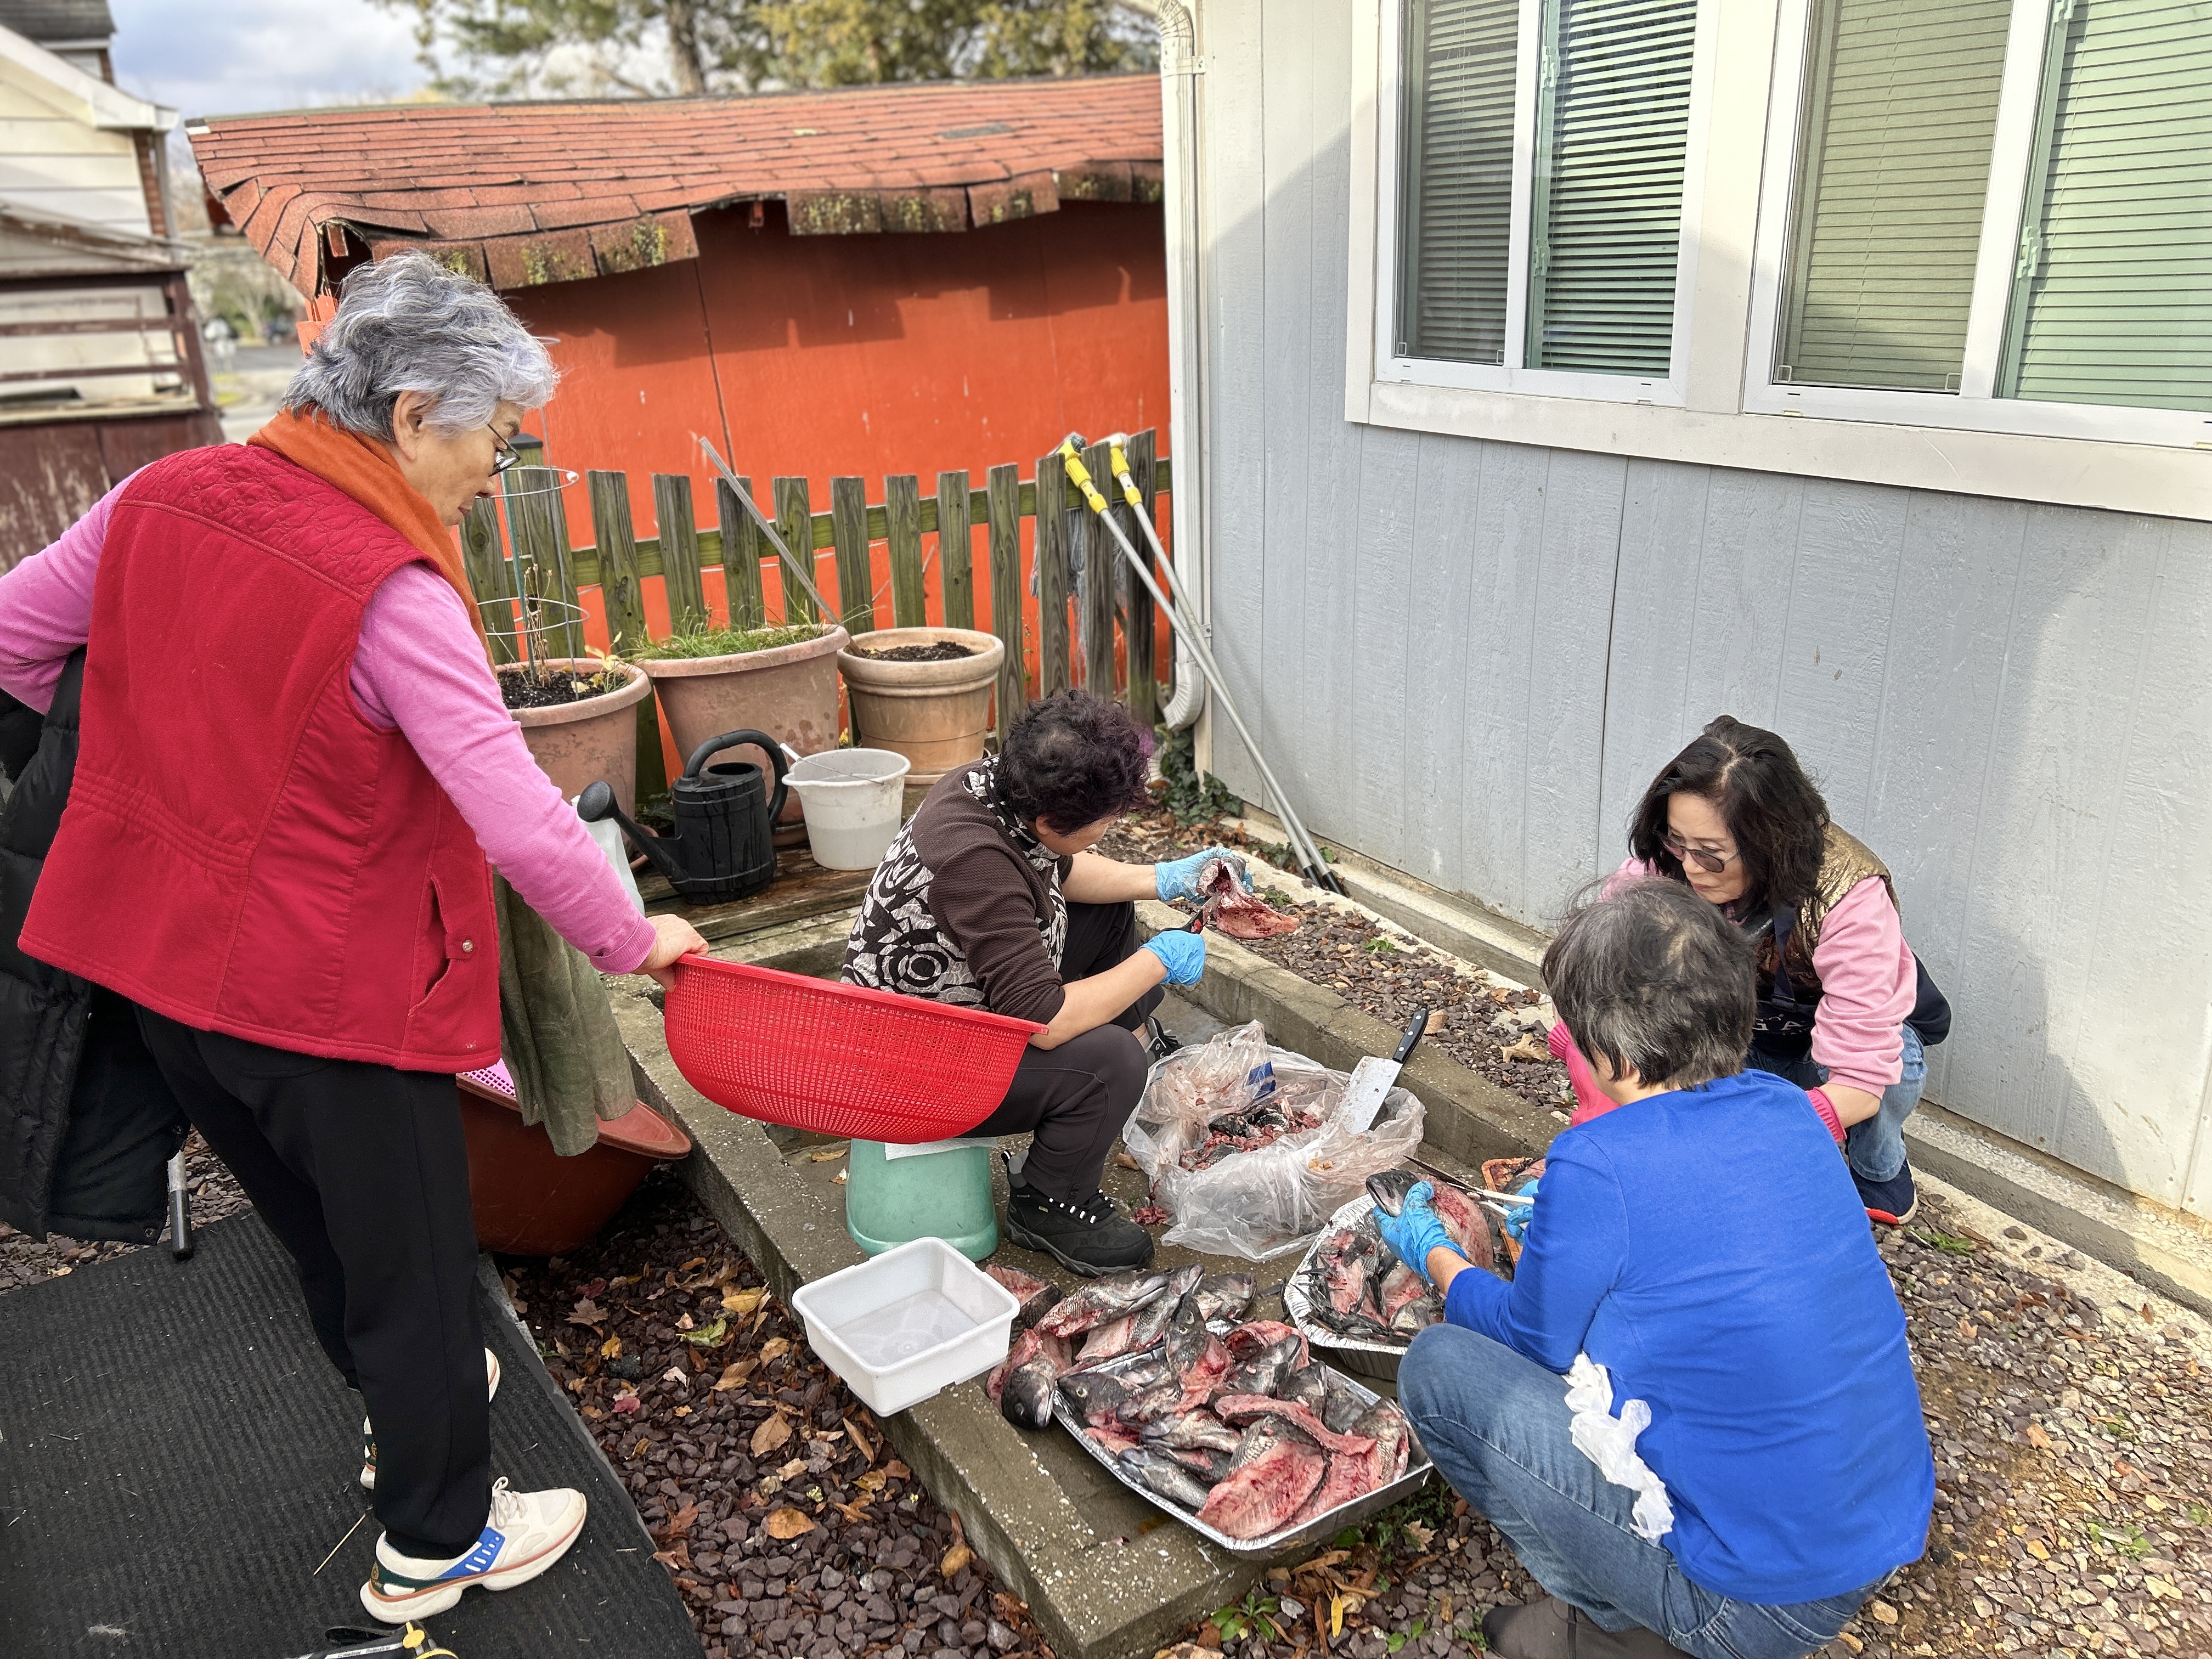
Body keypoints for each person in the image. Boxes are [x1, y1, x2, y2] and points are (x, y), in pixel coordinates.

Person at [0, 252, 709, 1624]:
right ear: (412, 413)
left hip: (162, 973)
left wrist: (130, 760)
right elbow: (522, 819)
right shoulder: (393, 591)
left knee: (320, 1231)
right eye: (495, 435)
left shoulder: (161, 495)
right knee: (419, 1270)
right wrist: (636, 939)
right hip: (325, 999)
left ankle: (402, 1407)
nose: (497, 469)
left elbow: (15, 645)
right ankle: (440, 1540)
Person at [1381, 880, 1933, 1659]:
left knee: (1440, 1366)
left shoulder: (1596, 1160)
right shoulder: (1790, 1107)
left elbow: (1531, 1340)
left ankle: (1606, 1628)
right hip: (1877, 1531)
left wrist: (1435, 1253)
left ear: (1614, 1051)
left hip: (1748, 1598)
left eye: (1572, 1030)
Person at [842, 689, 1243, 1275]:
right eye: (1105, 822)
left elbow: (1059, 868)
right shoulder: (974, 862)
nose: (1110, 828)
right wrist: (1157, 960)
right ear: (1053, 820)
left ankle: (1134, 1085)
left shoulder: (991, 787)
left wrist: (1163, 879)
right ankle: (1051, 1201)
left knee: (1110, 911)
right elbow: (1044, 1021)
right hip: (915, 1068)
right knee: (1108, 1062)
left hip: (953, 1002)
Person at [1552, 716, 1946, 1223]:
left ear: (1770, 842)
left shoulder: (1849, 897)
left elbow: (1860, 1078)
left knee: (1894, 1070)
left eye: (1711, 855)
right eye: (1677, 842)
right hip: (1747, 1031)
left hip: (1844, 1042)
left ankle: (1878, 1164)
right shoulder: (1665, 869)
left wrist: (1761, 1138)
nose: (1689, 867)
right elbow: (1594, 973)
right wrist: (1582, 1045)